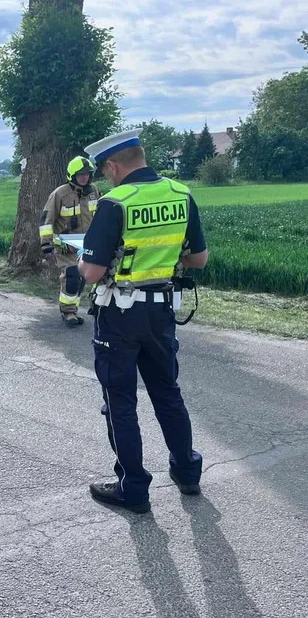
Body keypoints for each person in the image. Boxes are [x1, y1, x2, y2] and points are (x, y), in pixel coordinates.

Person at [78, 128, 208, 513]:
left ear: (114, 165)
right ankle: (187, 472)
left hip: (119, 314)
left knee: (120, 403)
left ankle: (133, 489)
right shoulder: (181, 195)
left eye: (105, 171)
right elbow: (197, 259)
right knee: (167, 393)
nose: (106, 177)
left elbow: (91, 272)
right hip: (161, 310)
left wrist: (85, 260)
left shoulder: (114, 203)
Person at [39, 156, 101, 326]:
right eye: (80, 174)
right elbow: (46, 220)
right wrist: (46, 244)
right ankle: (68, 312)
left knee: (87, 277)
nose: (84, 177)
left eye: (87, 174)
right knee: (72, 275)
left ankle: (90, 306)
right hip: (66, 245)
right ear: (72, 175)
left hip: (89, 243)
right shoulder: (60, 194)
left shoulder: (94, 191)